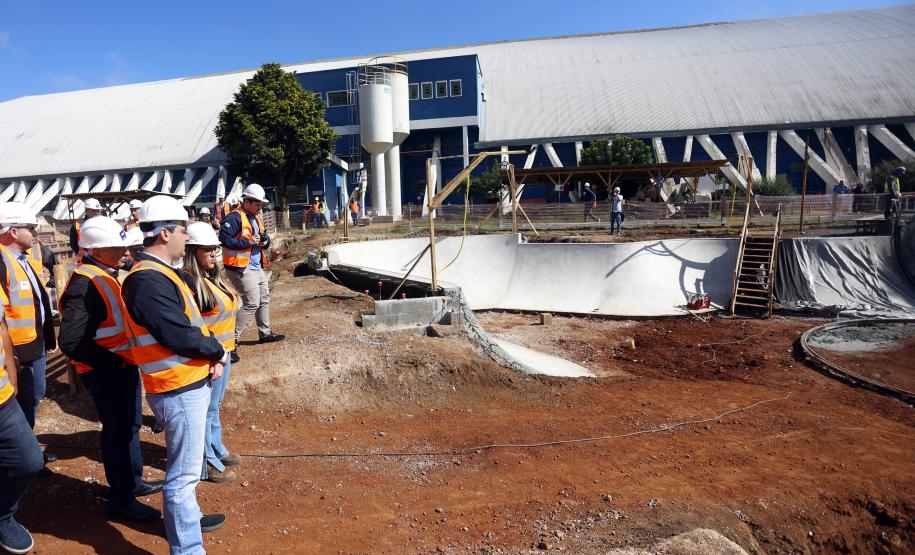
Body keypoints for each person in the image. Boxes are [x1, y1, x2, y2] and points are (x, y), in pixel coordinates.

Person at [121, 195, 228, 553]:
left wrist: (211, 354)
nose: (188, 237)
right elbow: (177, 334)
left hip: (186, 382)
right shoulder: (146, 280)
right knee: (182, 477)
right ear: (165, 234)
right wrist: (216, 350)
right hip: (176, 388)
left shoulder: (162, 274)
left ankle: (189, 525)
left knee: (185, 473)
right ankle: (187, 549)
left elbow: (190, 324)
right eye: (183, 230)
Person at [58, 216, 163, 522]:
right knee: (117, 431)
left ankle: (133, 481)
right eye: (116, 247)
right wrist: (114, 361)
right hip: (106, 371)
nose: (123, 251)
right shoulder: (84, 284)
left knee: (129, 425)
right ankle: (121, 499)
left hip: (122, 365)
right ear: (96, 250)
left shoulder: (108, 273)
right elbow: (72, 341)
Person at [0, 202, 57, 476]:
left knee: (32, 399)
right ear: (12, 231)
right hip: (18, 353)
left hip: (34, 346)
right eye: (30, 227)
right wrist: (11, 359)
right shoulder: (2, 260)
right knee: (20, 404)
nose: (35, 232)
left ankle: (26, 450)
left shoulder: (21, 259)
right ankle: (20, 456)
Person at [182, 223, 240, 485]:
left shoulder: (211, 279)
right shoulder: (190, 282)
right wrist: (214, 355)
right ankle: (207, 461)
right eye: (208, 250)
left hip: (223, 353)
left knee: (213, 407)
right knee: (205, 410)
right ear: (193, 251)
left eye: (215, 249)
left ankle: (216, 447)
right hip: (209, 357)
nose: (214, 254)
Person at [219, 183, 285, 363]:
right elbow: (224, 239)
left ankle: (265, 333)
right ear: (247, 202)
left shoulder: (256, 218)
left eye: (261, 205)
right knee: (251, 302)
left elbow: (264, 238)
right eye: (257, 204)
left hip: (256, 266)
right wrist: (248, 242)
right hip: (240, 267)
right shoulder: (234, 218)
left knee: (264, 298)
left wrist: (265, 241)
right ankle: (229, 342)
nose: (260, 207)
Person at [0, 284, 44, 555]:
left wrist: (11, 371)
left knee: (28, 460)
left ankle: (3, 515)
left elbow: (1, 325)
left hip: (2, 396)